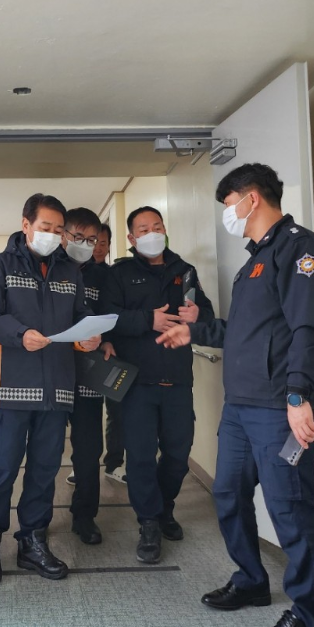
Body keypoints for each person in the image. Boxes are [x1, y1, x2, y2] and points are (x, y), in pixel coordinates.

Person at [156, 163, 314, 627]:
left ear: (251, 198)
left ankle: (310, 618)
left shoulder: (302, 252)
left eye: (229, 205)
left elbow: (310, 331)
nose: (228, 215)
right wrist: (194, 330)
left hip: (279, 406)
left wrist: (299, 396)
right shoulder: (254, 262)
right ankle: (251, 580)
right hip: (240, 406)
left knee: (290, 508)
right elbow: (243, 332)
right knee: (228, 494)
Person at [0, 193, 101, 584]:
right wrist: (19, 334)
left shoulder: (70, 272)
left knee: (45, 470)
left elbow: (80, 315)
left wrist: (89, 336)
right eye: (46, 227)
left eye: (59, 230)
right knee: (2, 468)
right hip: (12, 385)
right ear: (26, 224)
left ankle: (32, 541)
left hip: (57, 386)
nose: (53, 235)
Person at [102, 206, 214, 564]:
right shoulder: (119, 274)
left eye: (157, 226)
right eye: (143, 229)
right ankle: (149, 521)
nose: (152, 233)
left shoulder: (185, 271)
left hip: (177, 379)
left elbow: (206, 317)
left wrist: (199, 316)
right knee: (140, 456)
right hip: (137, 381)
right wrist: (146, 320)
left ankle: (165, 507)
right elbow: (106, 318)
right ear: (132, 238)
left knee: (179, 453)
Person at [59, 208, 108, 544]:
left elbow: (114, 316)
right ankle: (35, 521)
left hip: (88, 376)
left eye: (92, 239)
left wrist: (106, 338)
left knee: (89, 452)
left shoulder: (104, 277)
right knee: (45, 451)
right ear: (63, 235)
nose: (86, 244)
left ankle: (85, 515)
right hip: (50, 375)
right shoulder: (46, 268)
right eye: (78, 237)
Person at [93, 223, 127, 485]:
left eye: (103, 243)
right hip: (82, 352)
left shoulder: (114, 275)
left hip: (113, 351)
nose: (97, 248)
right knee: (86, 415)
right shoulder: (72, 273)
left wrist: (108, 340)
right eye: (93, 242)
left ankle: (113, 463)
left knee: (116, 410)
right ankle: (82, 465)